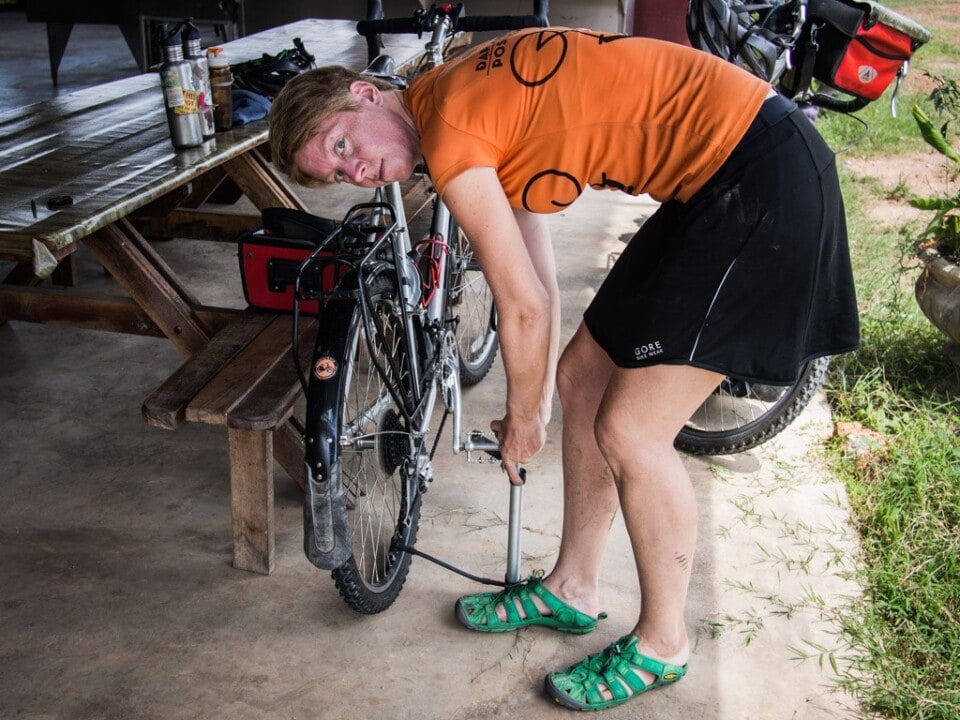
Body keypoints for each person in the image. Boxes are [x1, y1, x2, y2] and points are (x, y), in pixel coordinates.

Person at [269, 27, 859, 712]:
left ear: (364, 92)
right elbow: (534, 289)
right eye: (339, 176)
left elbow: (518, 308)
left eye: (344, 146)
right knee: (582, 378)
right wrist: (538, 401)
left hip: (757, 179)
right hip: (717, 178)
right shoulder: (448, 100)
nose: (358, 172)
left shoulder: (451, 130)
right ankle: (573, 586)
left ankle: (665, 644)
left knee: (632, 433)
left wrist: (521, 421)